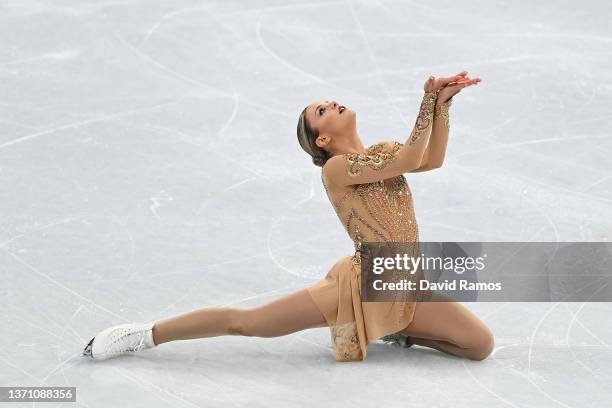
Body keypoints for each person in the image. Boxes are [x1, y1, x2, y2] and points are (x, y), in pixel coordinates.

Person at [82, 70, 494, 363]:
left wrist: (443, 105)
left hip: (404, 278)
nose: (330, 103)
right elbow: (410, 156)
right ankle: (144, 335)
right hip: (364, 282)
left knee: (479, 345)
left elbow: (430, 159)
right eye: (320, 111)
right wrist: (427, 101)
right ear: (323, 139)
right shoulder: (336, 169)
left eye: (326, 102)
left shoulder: (383, 151)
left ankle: (397, 330)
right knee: (249, 324)